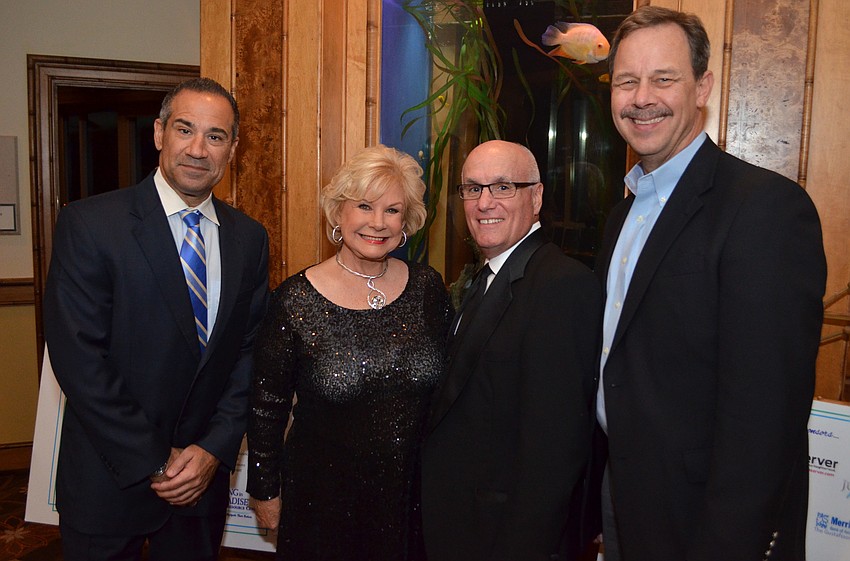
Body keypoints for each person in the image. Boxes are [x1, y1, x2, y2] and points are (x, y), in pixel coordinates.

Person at [595, 6, 827, 561]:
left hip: (705, 524)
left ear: (703, 86)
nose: (641, 97)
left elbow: (765, 422)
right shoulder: (622, 215)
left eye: (663, 78)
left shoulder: (765, 210)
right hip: (625, 497)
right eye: (627, 81)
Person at [42, 77, 270, 561]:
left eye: (215, 136)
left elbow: (249, 353)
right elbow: (79, 360)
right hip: (109, 480)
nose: (197, 149)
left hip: (199, 485)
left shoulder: (249, 239)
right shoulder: (90, 225)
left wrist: (212, 449)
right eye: (185, 129)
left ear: (232, 148)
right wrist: (155, 460)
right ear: (159, 133)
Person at [247, 144, 452, 560]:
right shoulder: (295, 301)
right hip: (322, 502)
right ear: (339, 213)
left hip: (411, 498)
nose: (378, 223)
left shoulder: (429, 289)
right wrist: (265, 491)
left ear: (406, 222)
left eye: (392, 210)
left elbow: (451, 392)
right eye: (364, 206)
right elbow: (267, 406)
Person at [421, 140, 602, 561]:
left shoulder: (561, 286)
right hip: (465, 528)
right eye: (472, 188)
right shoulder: (488, 276)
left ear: (536, 197)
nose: (485, 202)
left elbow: (555, 452)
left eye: (503, 187)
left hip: (506, 539)